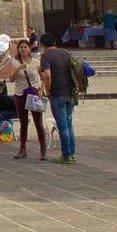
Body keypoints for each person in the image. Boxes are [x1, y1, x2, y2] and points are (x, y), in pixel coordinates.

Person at [0, 39, 46, 160]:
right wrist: (18, 68)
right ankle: (22, 149)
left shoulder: (36, 62)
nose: (23, 49)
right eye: (21, 47)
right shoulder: (14, 62)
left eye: (25, 47)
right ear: (18, 50)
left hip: (34, 94)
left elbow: (44, 77)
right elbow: (12, 79)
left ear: (29, 49)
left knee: (38, 122)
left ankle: (43, 150)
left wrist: (41, 89)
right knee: (23, 122)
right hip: (20, 94)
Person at [38, 34, 78, 164]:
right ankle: (72, 153)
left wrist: (48, 90)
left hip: (57, 93)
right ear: (55, 41)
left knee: (62, 125)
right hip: (70, 92)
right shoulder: (65, 52)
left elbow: (47, 75)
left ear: (42, 44)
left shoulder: (46, 56)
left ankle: (66, 155)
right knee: (69, 123)